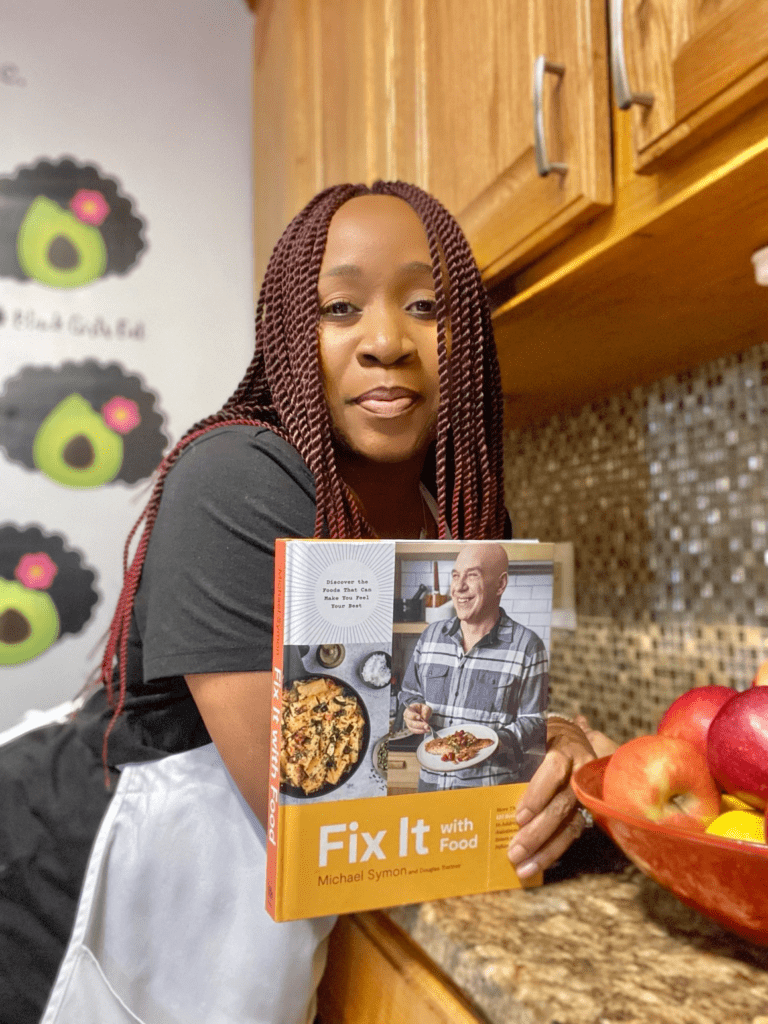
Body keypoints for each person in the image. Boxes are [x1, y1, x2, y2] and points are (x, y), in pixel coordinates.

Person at [0, 181, 601, 1024]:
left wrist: (560, 746)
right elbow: (323, 811)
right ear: (289, 332)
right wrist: (551, 751)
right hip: (60, 887)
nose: (386, 340)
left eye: (427, 305)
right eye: (340, 307)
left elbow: (445, 726)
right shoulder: (237, 475)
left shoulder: (449, 513)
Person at [400, 542, 548, 789]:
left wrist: (492, 742)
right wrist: (411, 711)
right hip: (430, 787)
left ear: (500, 584)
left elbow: (536, 721)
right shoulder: (431, 636)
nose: (458, 587)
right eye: (456, 576)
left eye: (472, 576)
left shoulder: (528, 646)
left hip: (487, 791)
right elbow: (409, 692)